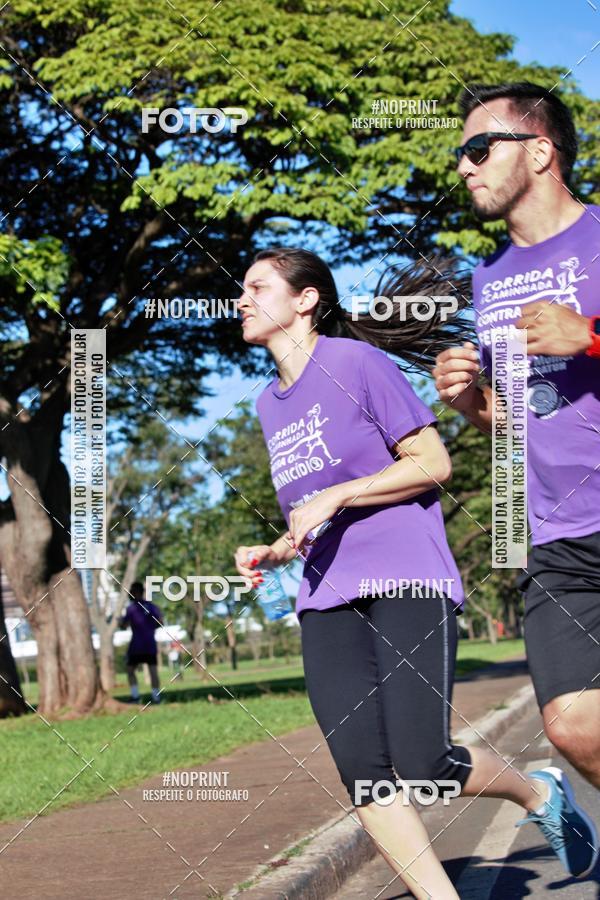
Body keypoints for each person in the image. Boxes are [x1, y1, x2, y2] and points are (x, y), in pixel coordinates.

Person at [234, 246, 596, 898]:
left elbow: (432, 462)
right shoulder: (268, 404)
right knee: (364, 774)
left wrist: (337, 496)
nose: (241, 299)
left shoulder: (356, 363)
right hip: (326, 593)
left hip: (405, 577)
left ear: (306, 299)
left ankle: (535, 791)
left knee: (425, 763)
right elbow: (313, 510)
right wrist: (275, 549)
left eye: (258, 287)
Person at [434, 78, 600, 854]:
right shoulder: (489, 280)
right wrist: (472, 404)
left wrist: (590, 337)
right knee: (570, 725)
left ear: (540, 151)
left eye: (479, 147)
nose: (464, 166)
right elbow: (519, 418)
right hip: (559, 535)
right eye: (461, 153)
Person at [119, 581, 163, 704]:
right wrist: (150, 628)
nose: (130, 594)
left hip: (136, 646)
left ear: (136, 592)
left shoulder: (131, 608)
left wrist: (120, 622)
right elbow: (160, 622)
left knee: (130, 670)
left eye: (132, 591)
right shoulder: (152, 606)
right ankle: (156, 698)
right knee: (153, 670)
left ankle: (135, 697)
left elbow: (123, 626)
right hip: (150, 644)